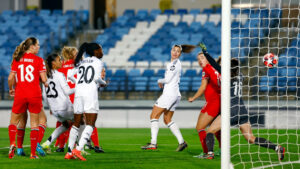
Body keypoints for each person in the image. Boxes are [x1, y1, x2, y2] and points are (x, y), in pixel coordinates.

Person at [204, 58, 285, 160]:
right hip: (242, 110)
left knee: (210, 131)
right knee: (251, 138)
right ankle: (277, 147)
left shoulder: (226, 76)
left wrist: (205, 53)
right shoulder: (241, 75)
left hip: (231, 110)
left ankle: (210, 153)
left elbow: (214, 65)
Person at [141, 45, 187, 152]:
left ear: (180, 54)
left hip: (169, 94)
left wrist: (159, 80)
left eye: (178, 51)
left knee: (153, 115)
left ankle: (153, 143)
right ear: (171, 51)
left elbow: (167, 79)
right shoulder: (175, 63)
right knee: (167, 119)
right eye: (174, 50)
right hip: (176, 94)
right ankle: (182, 142)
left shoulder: (174, 64)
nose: (175, 53)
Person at [65, 42, 106, 160]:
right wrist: (104, 83)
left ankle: (69, 152)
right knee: (90, 123)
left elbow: (70, 74)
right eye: (100, 49)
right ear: (96, 51)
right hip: (89, 93)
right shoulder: (98, 62)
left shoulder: (82, 61)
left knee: (76, 124)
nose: (102, 52)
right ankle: (78, 150)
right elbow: (97, 78)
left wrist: (78, 82)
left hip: (78, 93)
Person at [8, 37, 48, 159]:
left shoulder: (17, 59)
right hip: (34, 94)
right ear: (32, 47)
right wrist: (46, 82)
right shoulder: (39, 60)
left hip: (20, 94)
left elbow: (10, 78)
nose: (39, 47)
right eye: (38, 45)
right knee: (35, 123)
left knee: (14, 122)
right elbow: (44, 79)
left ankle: (13, 144)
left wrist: (11, 89)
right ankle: (32, 154)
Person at [188, 51, 221, 158]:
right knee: (215, 128)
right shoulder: (217, 68)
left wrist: (193, 97)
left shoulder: (207, 68)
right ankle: (222, 149)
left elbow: (203, 87)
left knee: (200, 127)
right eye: (198, 59)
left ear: (207, 58)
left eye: (202, 58)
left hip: (213, 102)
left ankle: (207, 152)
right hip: (220, 101)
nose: (199, 61)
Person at [40, 53, 75, 153]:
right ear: (53, 63)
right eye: (59, 60)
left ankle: (47, 143)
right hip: (65, 107)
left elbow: (44, 96)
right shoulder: (59, 75)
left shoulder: (45, 76)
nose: (61, 62)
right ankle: (75, 149)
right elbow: (68, 91)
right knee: (81, 121)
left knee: (66, 125)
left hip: (55, 110)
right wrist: (79, 87)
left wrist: (51, 107)